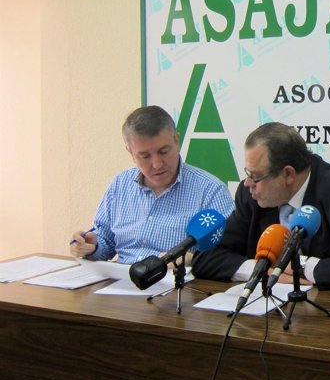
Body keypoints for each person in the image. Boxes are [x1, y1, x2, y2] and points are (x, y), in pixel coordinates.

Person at [192, 122, 330, 292]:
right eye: (248, 173)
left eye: (256, 176)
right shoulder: (250, 197)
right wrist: (260, 270)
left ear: (288, 175)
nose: (247, 183)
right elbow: (205, 257)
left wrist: (298, 266)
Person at [70, 105, 234, 264]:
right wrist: (92, 247)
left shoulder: (211, 191)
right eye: (145, 156)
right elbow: (104, 241)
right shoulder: (120, 185)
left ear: (177, 141)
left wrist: (190, 260)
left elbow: (224, 255)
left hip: (176, 284)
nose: (157, 164)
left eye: (164, 151)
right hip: (122, 280)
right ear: (131, 153)